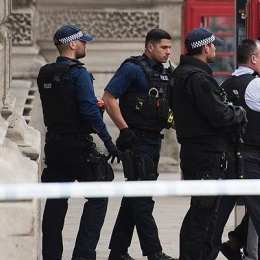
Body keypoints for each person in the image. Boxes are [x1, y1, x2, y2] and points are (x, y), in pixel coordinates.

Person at [37, 24, 124, 260]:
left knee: (55, 204)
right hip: (78, 147)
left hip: (54, 146)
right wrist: (109, 141)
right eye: (83, 41)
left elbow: (61, 105)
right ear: (73, 44)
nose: (85, 44)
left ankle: (51, 256)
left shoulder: (45, 73)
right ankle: (83, 255)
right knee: (98, 195)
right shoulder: (79, 74)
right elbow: (88, 111)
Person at [168, 27, 248, 260]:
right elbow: (219, 115)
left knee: (205, 211)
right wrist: (239, 113)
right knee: (202, 213)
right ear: (205, 47)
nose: (215, 50)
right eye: (213, 45)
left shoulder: (181, 74)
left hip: (196, 152)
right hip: (207, 155)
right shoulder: (199, 78)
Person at [211, 34, 260, 260]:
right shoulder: (259, 84)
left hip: (228, 158)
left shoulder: (225, 83)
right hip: (253, 160)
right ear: (254, 59)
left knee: (217, 218)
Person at [103, 28, 176, 260]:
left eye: (169, 48)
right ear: (150, 47)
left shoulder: (164, 72)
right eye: (164, 47)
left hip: (153, 141)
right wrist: (124, 130)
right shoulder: (132, 69)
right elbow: (109, 97)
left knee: (134, 197)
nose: (168, 52)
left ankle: (117, 252)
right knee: (143, 199)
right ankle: (154, 252)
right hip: (136, 141)